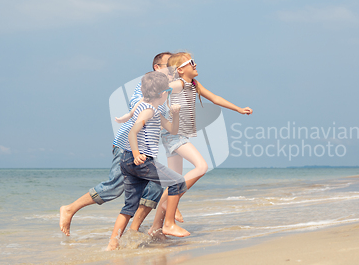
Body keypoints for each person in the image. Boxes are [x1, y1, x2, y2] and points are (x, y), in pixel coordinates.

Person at [59, 52, 173, 236]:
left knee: (156, 186)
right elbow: (135, 103)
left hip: (145, 150)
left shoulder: (167, 93)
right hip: (127, 145)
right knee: (115, 186)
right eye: (170, 64)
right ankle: (70, 209)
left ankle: (134, 231)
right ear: (157, 68)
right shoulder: (148, 86)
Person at [143, 52, 253, 236]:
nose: (195, 64)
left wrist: (239, 109)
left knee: (173, 182)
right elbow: (158, 91)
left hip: (176, 136)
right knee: (201, 166)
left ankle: (156, 229)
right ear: (180, 69)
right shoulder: (177, 84)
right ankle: (169, 219)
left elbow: (215, 98)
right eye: (191, 62)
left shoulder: (193, 84)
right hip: (174, 136)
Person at [106, 72, 189, 250]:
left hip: (127, 161)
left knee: (130, 206)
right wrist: (137, 154)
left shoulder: (145, 107)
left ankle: (113, 242)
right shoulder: (150, 110)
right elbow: (132, 132)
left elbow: (172, 130)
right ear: (162, 94)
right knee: (178, 182)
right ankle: (168, 224)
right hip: (140, 159)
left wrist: (175, 115)